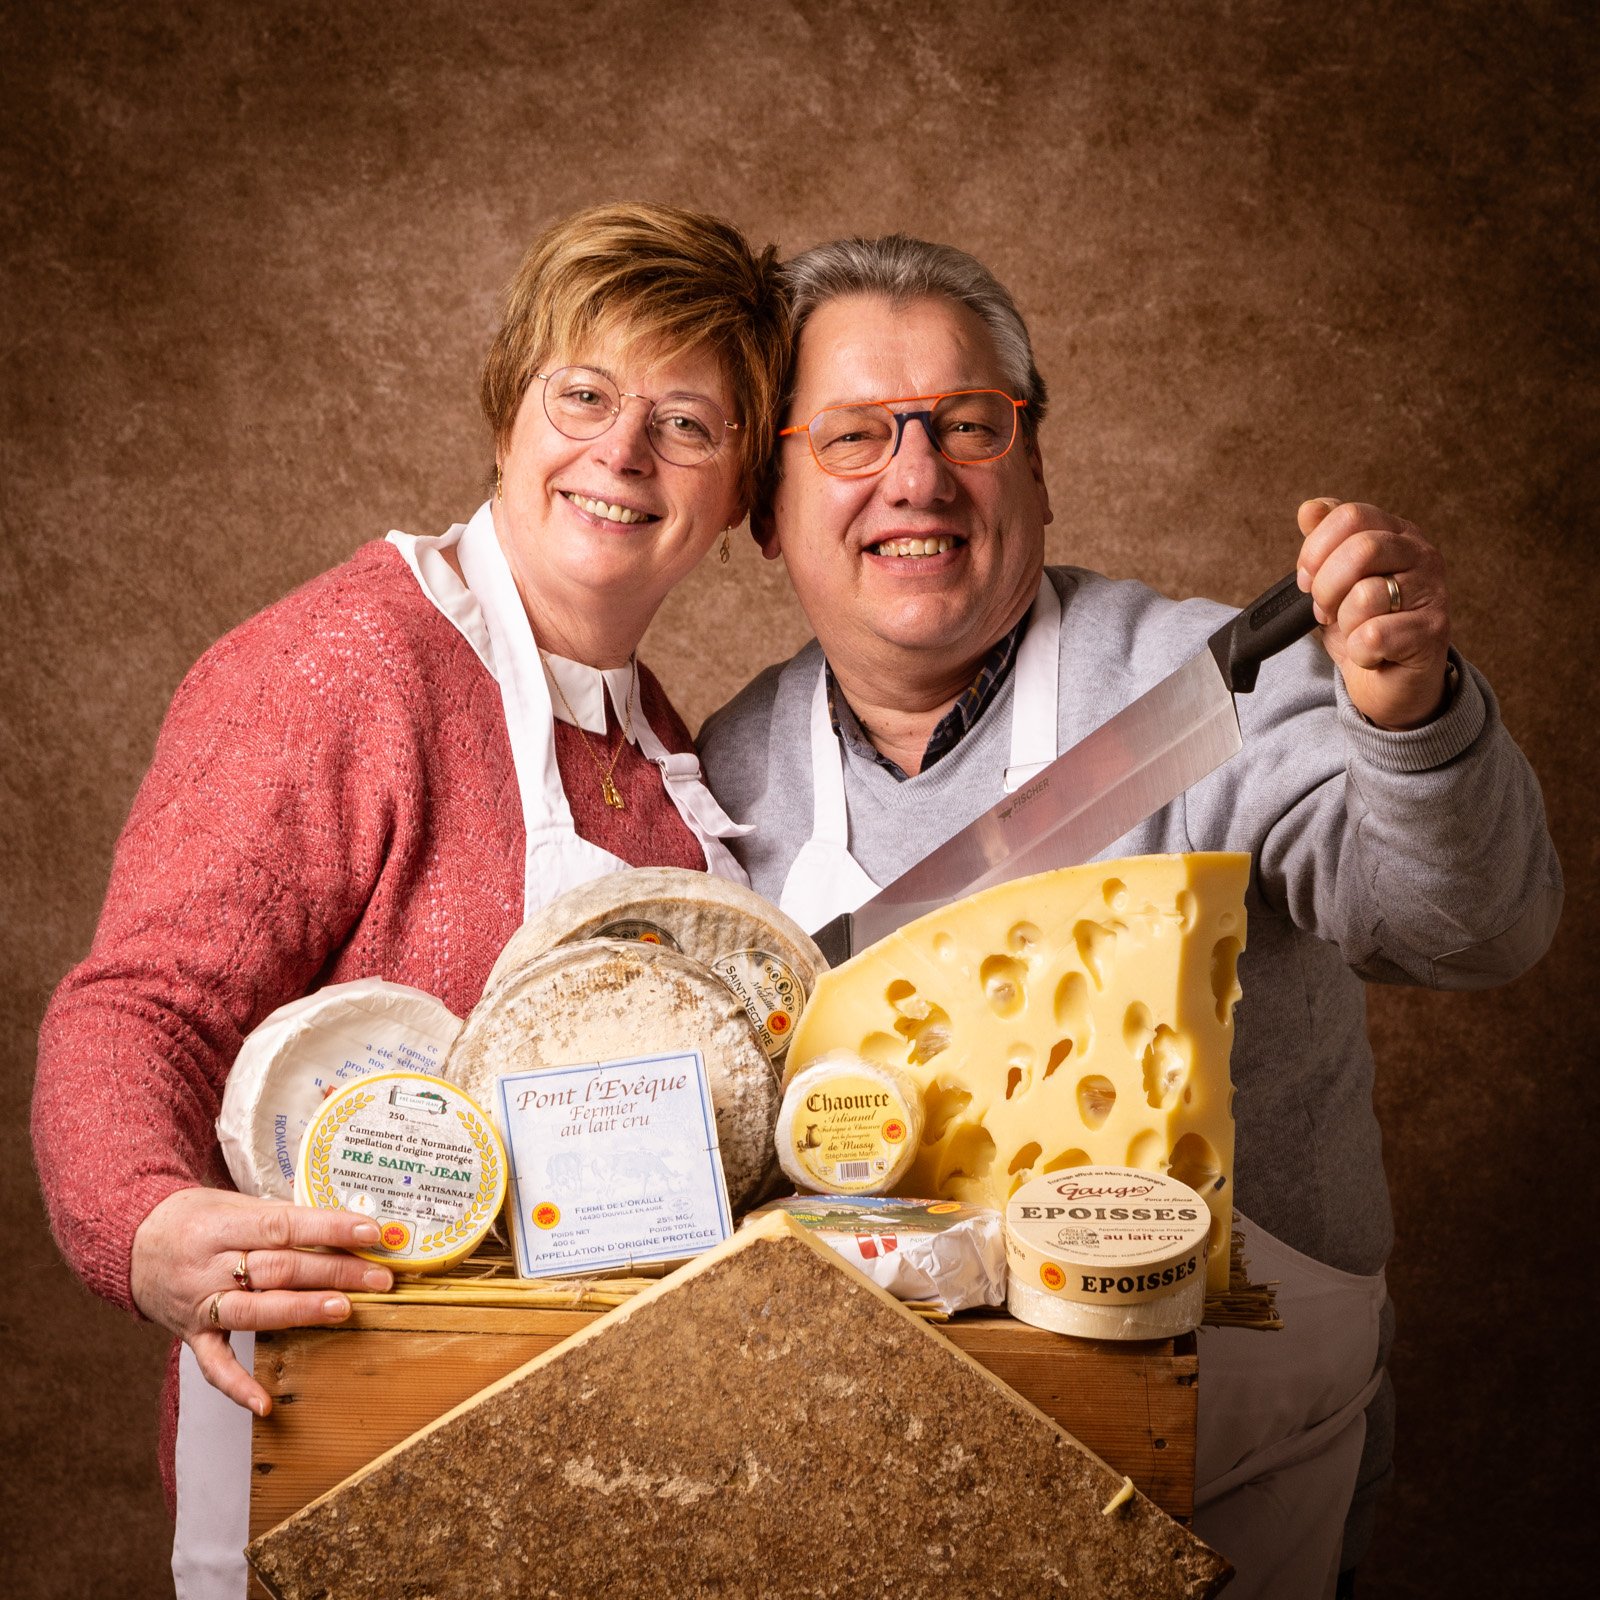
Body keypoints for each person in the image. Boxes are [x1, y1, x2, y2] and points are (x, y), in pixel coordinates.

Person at [697, 234, 1563, 1598]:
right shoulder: (724, 777)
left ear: (1035, 464)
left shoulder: (1210, 685)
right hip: (877, 1480)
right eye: (855, 436)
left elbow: (1469, 927)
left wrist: (1414, 721)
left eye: (968, 424)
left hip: (1236, 1464)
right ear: (768, 505)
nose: (915, 477)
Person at [33, 201, 788, 1596]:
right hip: (342, 1446)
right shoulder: (348, 663)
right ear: (509, 414)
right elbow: (139, 1006)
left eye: (688, 422)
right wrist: (148, 1223)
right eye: (583, 395)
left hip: (584, 1480)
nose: (622, 453)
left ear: (739, 492)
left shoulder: (660, 754)